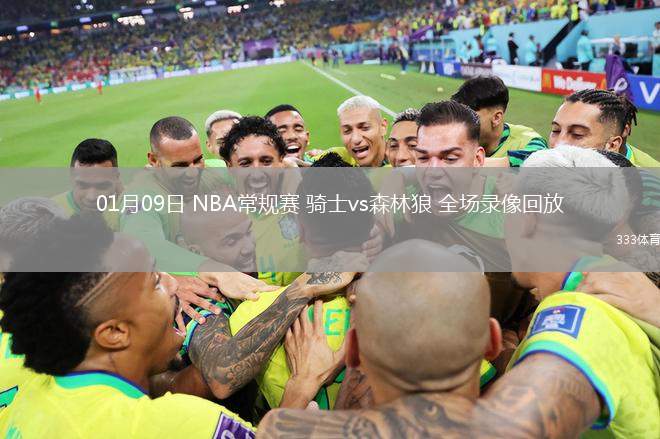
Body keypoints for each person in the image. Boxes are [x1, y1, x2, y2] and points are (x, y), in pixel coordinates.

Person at [0, 216, 258, 437]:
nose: (174, 284)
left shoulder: (30, 397)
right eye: (155, 281)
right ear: (114, 333)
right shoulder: (175, 424)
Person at [257, 241, 503, 436]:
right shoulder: (519, 425)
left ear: (353, 351)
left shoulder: (290, 427)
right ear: (493, 342)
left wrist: (301, 388)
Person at [228, 153, 373, 411]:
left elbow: (223, 380)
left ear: (302, 229)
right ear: (370, 224)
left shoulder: (251, 312)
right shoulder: (403, 303)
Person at [122, 116, 276, 314]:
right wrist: (217, 273)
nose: (193, 172)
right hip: (199, 299)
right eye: (180, 166)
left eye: (197, 160)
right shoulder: (139, 197)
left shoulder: (215, 171)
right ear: (153, 160)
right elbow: (144, 246)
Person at [220, 116, 304, 286]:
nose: (257, 173)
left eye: (266, 161)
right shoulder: (217, 219)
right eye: (245, 163)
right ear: (230, 167)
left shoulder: (309, 200)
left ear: (281, 161)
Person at [451, 76, 548, 167]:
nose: (460, 124)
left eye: (470, 117)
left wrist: (462, 163)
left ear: (496, 118)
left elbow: (541, 160)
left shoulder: (527, 141)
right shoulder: (454, 139)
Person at [549, 89, 659, 166]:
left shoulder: (650, 182)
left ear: (612, 145)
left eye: (577, 134)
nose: (558, 144)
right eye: (556, 130)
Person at [51, 138, 123, 230]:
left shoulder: (132, 206)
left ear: (116, 179)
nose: (91, 197)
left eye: (102, 186)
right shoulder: (50, 214)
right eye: (83, 186)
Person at [318, 95, 388, 168]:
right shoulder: (337, 157)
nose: (355, 139)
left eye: (365, 128)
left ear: (383, 127)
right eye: (347, 131)